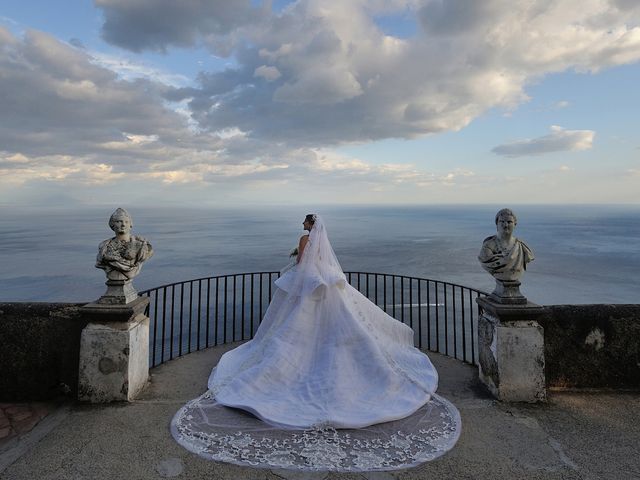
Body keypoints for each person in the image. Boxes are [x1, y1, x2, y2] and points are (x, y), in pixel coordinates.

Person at [172, 214, 460, 470]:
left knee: (290, 330)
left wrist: (294, 258)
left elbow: (302, 261)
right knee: (335, 329)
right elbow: (318, 262)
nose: (303, 226)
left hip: (308, 281)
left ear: (311, 226)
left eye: (305, 223)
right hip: (324, 281)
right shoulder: (322, 246)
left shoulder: (304, 239)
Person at [96, 208, 153, 281]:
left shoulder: (141, 245)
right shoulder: (104, 246)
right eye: (119, 221)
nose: (123, 225)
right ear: (112, 224)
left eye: (126, 222)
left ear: (130, 225)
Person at [478, 208, 534, 282]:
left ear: (515, 224)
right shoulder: (488, 245)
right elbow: (485, 260)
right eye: (502, 221)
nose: (505, 225)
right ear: (497, 224)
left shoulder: (522, 247)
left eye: (509, 222)